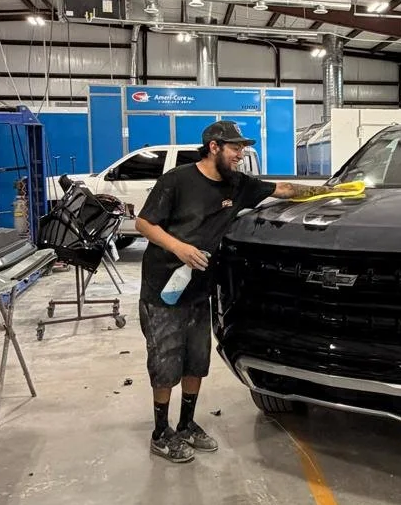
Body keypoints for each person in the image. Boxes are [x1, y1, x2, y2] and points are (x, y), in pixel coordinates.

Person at [135, 120, 318, 462]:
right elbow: (143, 223)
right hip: (163, 289)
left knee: (196, 362)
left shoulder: (238, 184)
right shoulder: (177, 180)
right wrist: (179, 248)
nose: (240, 155)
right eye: (235, 148)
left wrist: (329, 191)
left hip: (199, 289)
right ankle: (161, 433)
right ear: (214, 147)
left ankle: (186, 424)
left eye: (242, 149)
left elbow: (283, 189)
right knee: (165, 365)